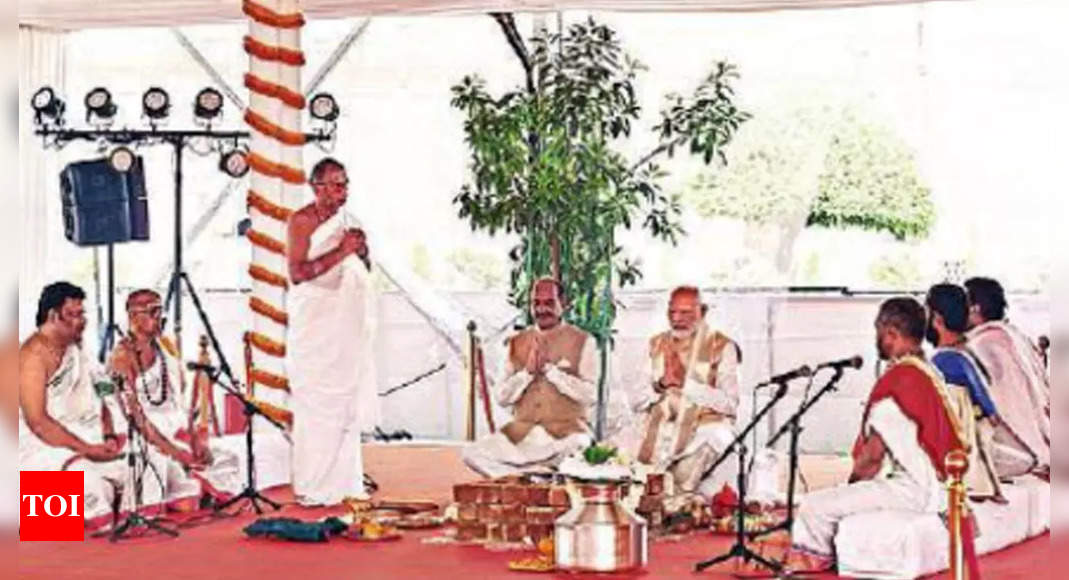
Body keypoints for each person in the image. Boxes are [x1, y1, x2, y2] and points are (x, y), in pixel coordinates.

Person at [792, 298, 973, 573]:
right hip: (942, 488)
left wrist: (850, 486)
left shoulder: (897, 381)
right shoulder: (928, 372)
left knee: (814, 506)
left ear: (890, 332)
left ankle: (812, 566)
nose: (876, 337)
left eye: (878, 329)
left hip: (911, 491)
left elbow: (871, 459)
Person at [287, 157, 379, 506]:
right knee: (317, 408)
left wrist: (361, 252)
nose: (343, 191)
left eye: (345, 184)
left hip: (346, 329)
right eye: (336, 184)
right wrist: (342, 251)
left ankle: (345, 483)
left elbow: (362, 268)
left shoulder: (348, 222)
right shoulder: (301, 222)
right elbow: (297, 273)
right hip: (316, 326)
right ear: (316, 187)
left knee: (345, 406)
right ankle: (315, 485)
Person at [107, 289, 241, 509]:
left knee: (226, 458)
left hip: (175, 431)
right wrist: (178, 453)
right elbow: (135, 418)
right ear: (132, 316)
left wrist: (197, 441)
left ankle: (198, 486)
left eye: (160, 310)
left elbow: (179, 406)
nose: (160, 317)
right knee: (158, 466)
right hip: (144, 437)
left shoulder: (165, 348)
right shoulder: (122, 357)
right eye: (152, 311)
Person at [462, 278, 598, 479]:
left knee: (579, 448)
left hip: (566, 436)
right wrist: (527, 374)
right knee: (471, 453)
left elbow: (591, 395)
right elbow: (501, 397)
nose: (542, 309)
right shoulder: (515, 343)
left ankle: (527, 476)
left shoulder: (584, 341)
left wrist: (551, 373)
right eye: (537, 303)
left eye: (549, 303)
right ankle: (531, 477)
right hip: (523, 435)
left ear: (564, 303)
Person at [18, 282, 126, 519]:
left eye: (82, 313)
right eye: (73, 314)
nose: (82, 321)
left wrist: (109, 435)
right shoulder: (31, 357)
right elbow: (38, 423)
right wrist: (87, 450)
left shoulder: (79, 350)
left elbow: (103, 392)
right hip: (45, 447)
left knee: (152, 468)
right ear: (53, 316)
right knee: (90, 485)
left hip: (88, 438)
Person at [628, 286, 741, 494]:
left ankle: (677, 505)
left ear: (703, 312)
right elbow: (636, 401)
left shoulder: (723, 347)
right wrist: (661, 384)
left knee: (698, 456)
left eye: (686, 312)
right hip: (661, 423)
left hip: (704, 427)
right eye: (672, 312)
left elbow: (730, 404)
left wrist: (685, 385)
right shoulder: (656, 345)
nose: (677, 319)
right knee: (619, 450)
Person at [964, 277, 1049, 479]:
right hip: (1043, 435)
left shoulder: (983, 345)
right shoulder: (1015, 336)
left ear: (975, 309)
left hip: (1019, 445)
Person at [925, 284, 1003, 502]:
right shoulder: (952, 354)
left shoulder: (952, 357)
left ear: (937, 320)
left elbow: (976, 384)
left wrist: (990, 411)